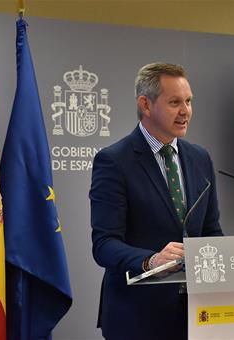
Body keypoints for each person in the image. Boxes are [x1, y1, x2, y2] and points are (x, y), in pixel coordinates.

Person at [89, 62, 223, 340]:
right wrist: (151, 261)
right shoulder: (114, 161)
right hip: (137, 317)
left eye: (188, 101)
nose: (185, 111)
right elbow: (104, 245)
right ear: (145, 105)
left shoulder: (201, 158)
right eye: (175, 102)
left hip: (197, 317)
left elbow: (211, 231)